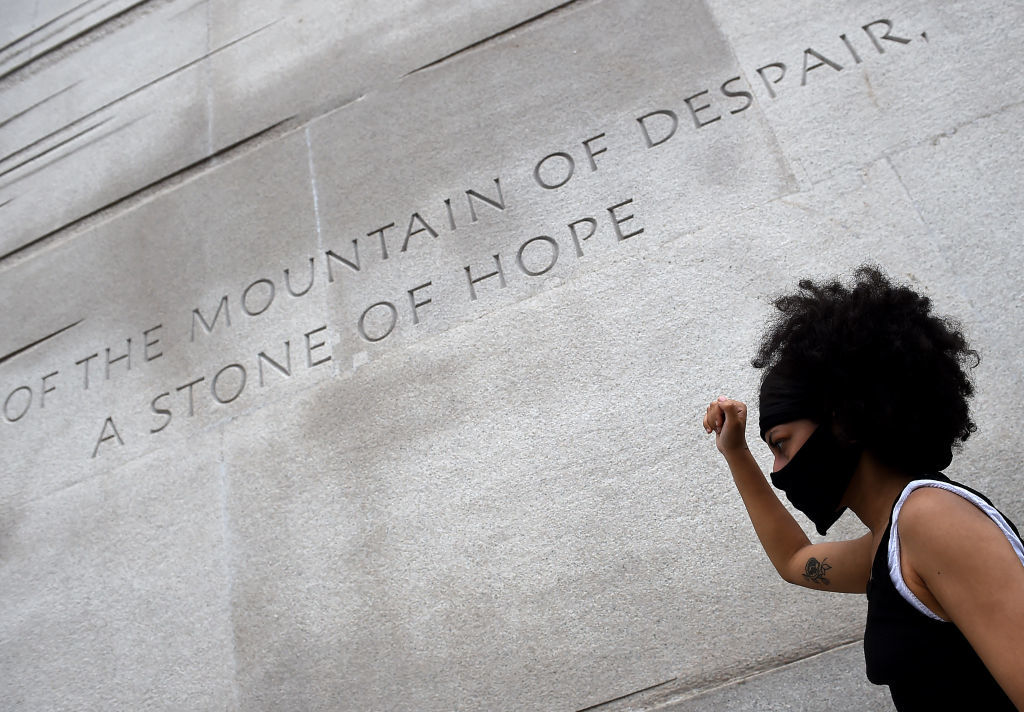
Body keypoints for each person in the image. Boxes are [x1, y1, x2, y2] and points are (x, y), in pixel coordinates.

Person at [702, 266, 1024, 710]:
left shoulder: (932, 518)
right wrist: (735, 453)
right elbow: (796, 561)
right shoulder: (891, 543)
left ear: (845, 423)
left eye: (781, 445)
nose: (780, 470)